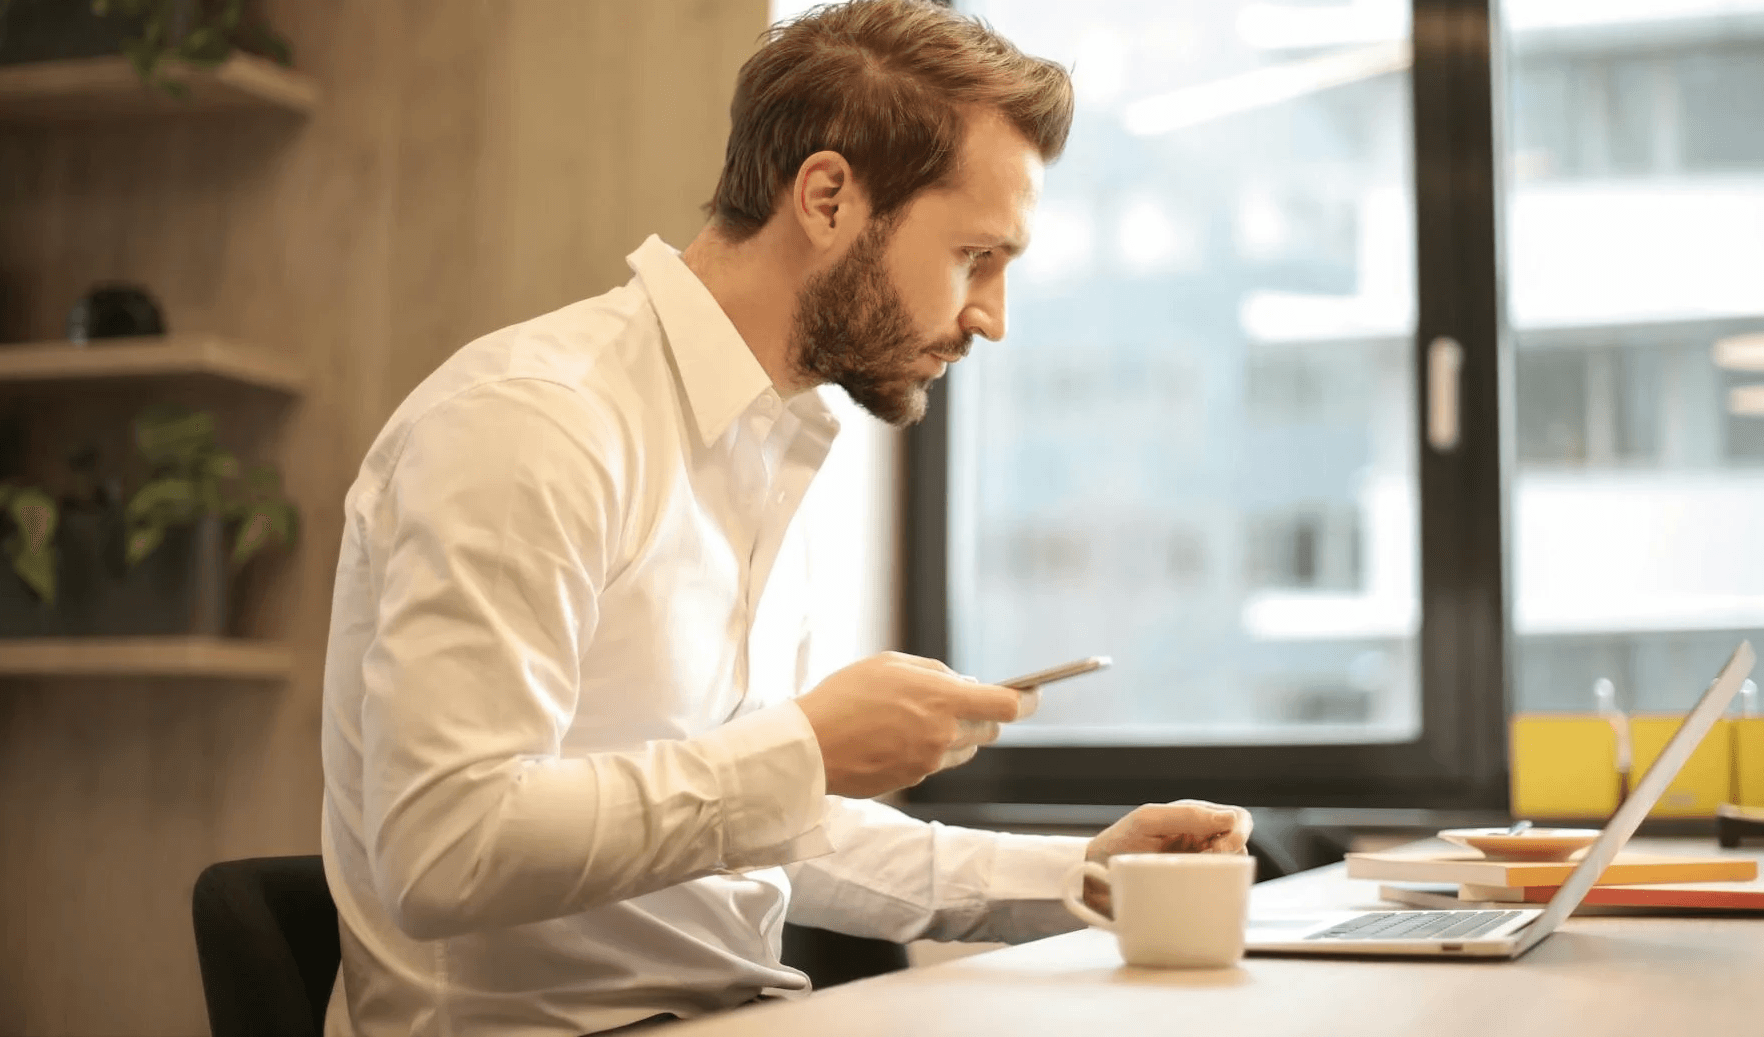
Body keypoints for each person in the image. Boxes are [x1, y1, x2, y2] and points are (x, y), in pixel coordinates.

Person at [319, 2, 1252, 1034]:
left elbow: (744, 827)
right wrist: (803, 747)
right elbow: (445, 849)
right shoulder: (533, 424)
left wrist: (1077, 871)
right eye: (974, 257)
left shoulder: (765, 447)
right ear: (826, 196)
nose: (992, 314)